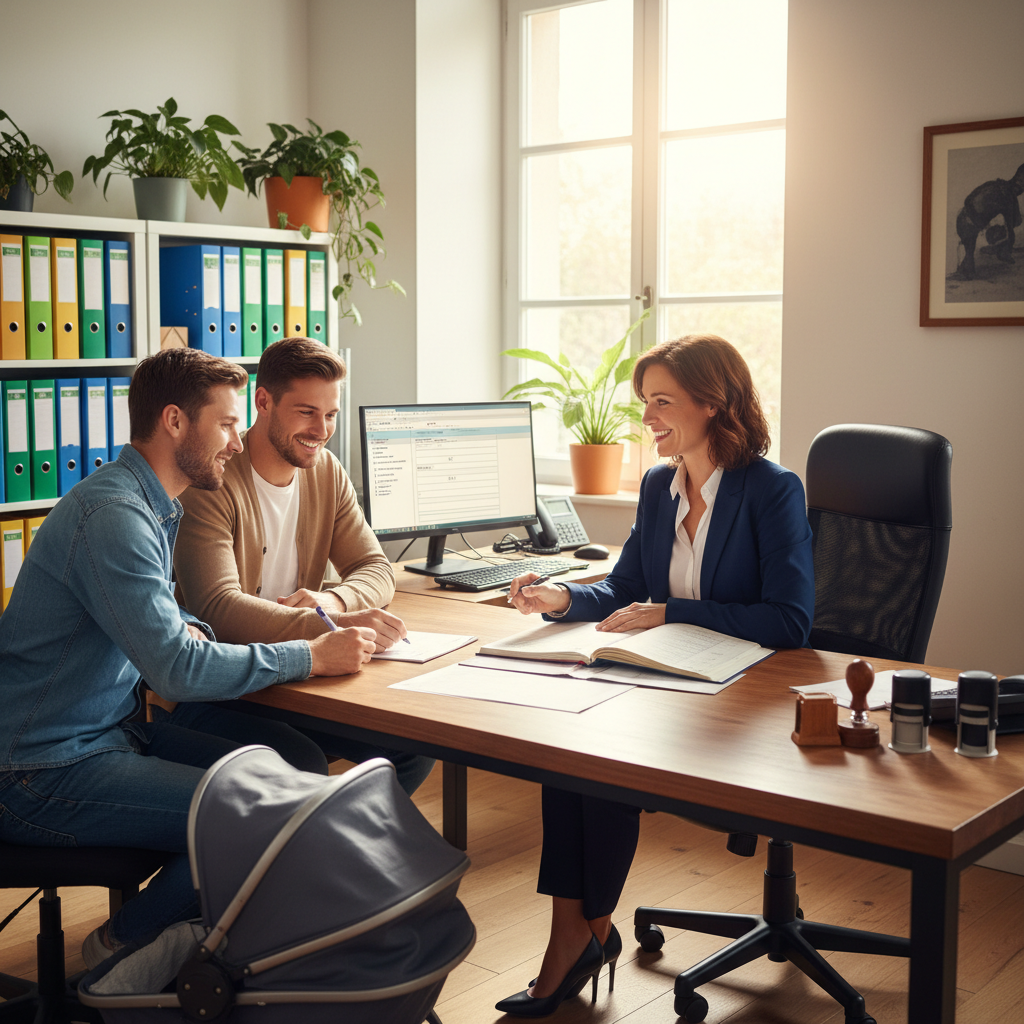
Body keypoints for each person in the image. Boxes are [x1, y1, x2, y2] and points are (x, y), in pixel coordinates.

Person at [0, 348, 379, 968]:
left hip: (108, 735)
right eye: (227, 424)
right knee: (267, 818)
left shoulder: (148, 502)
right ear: (175, 421)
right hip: (40, 770)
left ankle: (200, 944)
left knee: (291, 780)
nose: (237, 442)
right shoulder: (115, 515)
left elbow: (160, 621)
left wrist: (193, 628)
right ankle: (119, 953)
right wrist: (308, 656)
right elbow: (175, 670)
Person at [495, 334, 814, 1016]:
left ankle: (581, 940)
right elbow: (625, 590)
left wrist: (673, 611)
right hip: (665, 682)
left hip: (740, 699)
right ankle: (577, 934)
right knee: (566, 751)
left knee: (602, 765)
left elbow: (789, 621)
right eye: (645, 402)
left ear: (714, 402)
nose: (648, 419)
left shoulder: (771, 490)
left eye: (663, 402)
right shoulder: (656, 485)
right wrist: (561, 598)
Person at [169, 337, 434, 795]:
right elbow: (218, 608)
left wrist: (332, 599)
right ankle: (327, 853)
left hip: (300, 678)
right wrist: (327, 624)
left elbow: (375, 566)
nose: (322, 429)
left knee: (415, 746)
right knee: (302, 762)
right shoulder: (212, 480)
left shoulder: (326, 470)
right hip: (228, 685)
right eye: (307, 412)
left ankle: (341, 856)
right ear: (264, 401)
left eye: (330, 414)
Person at [955, 161, 1024, 279]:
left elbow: (969, 199)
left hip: (962, 220)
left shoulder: (995, 184)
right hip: (972, 227)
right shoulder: (1008, 196)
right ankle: (1002, 253)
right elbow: (1015, 222)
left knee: (969, 256)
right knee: (1009, 232)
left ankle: (966, 270)